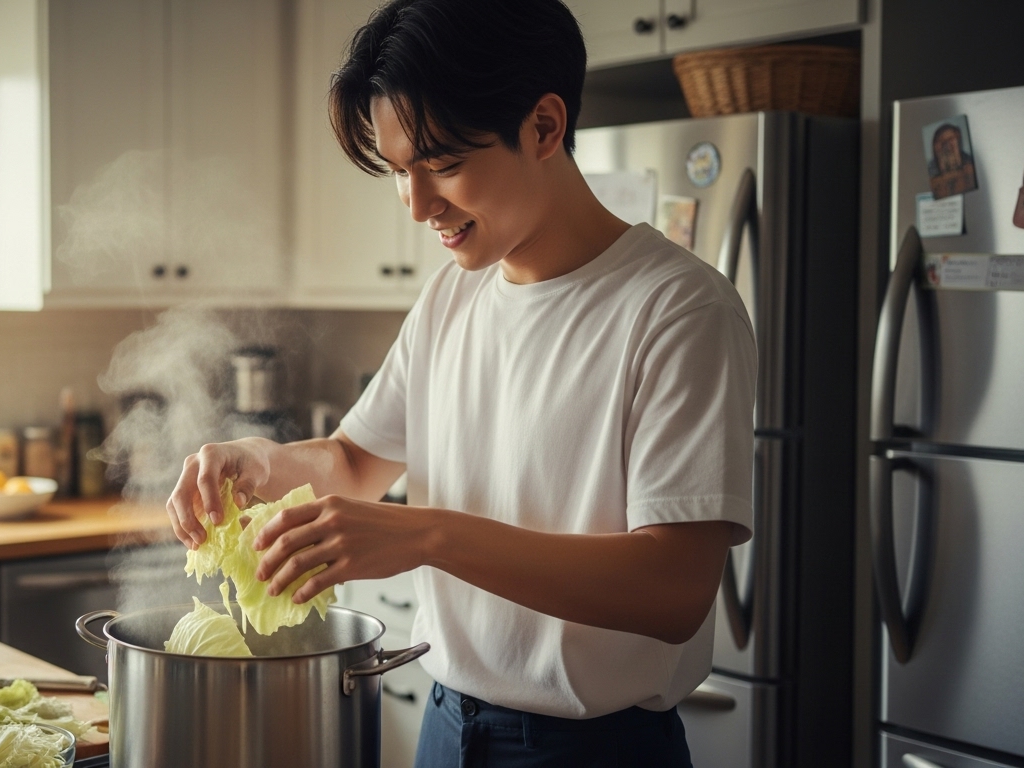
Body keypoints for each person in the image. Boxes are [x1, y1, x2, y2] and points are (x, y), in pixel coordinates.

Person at [165, 1, 756, 765]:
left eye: (442, 164)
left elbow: (673, 591)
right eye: (399, 171)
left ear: (544, 127)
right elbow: (354, 460)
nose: (417, 205)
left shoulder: (678, 308)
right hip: (447, 729)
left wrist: (428, 535)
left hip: (596, 748)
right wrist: (261, 460)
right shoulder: (454, 294)